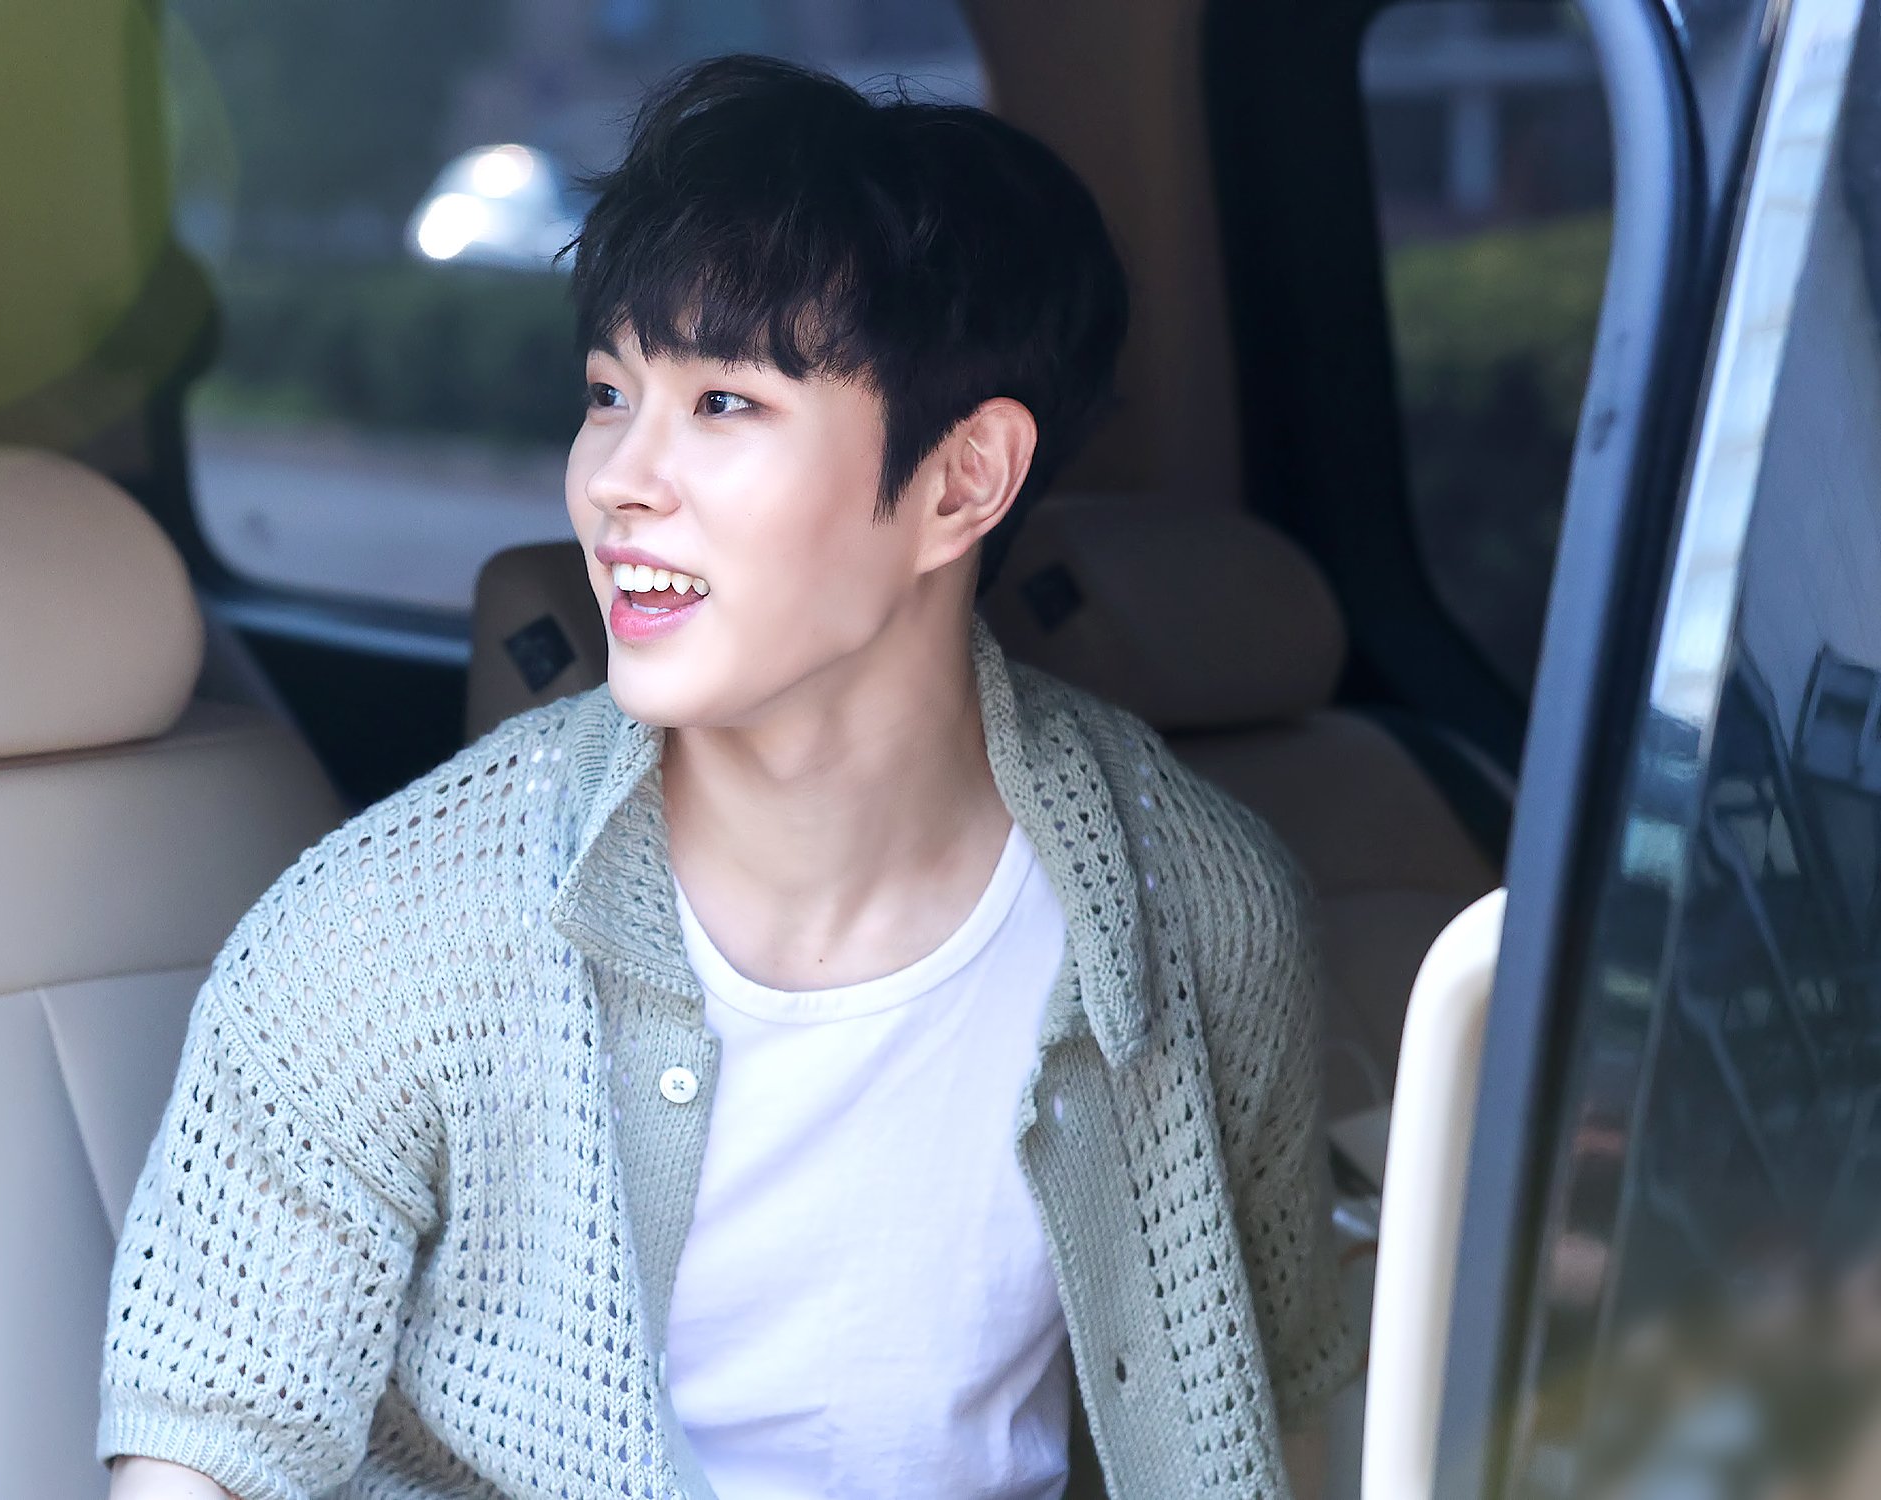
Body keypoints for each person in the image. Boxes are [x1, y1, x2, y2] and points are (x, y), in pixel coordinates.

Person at [101, 54, 1355, 1500]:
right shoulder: (383, 940)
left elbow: (1266, 1402)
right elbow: (202, 1457)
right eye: (607, 392)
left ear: (961, 481)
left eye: (721, 404)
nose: (615, 479)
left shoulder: (1196, 910)